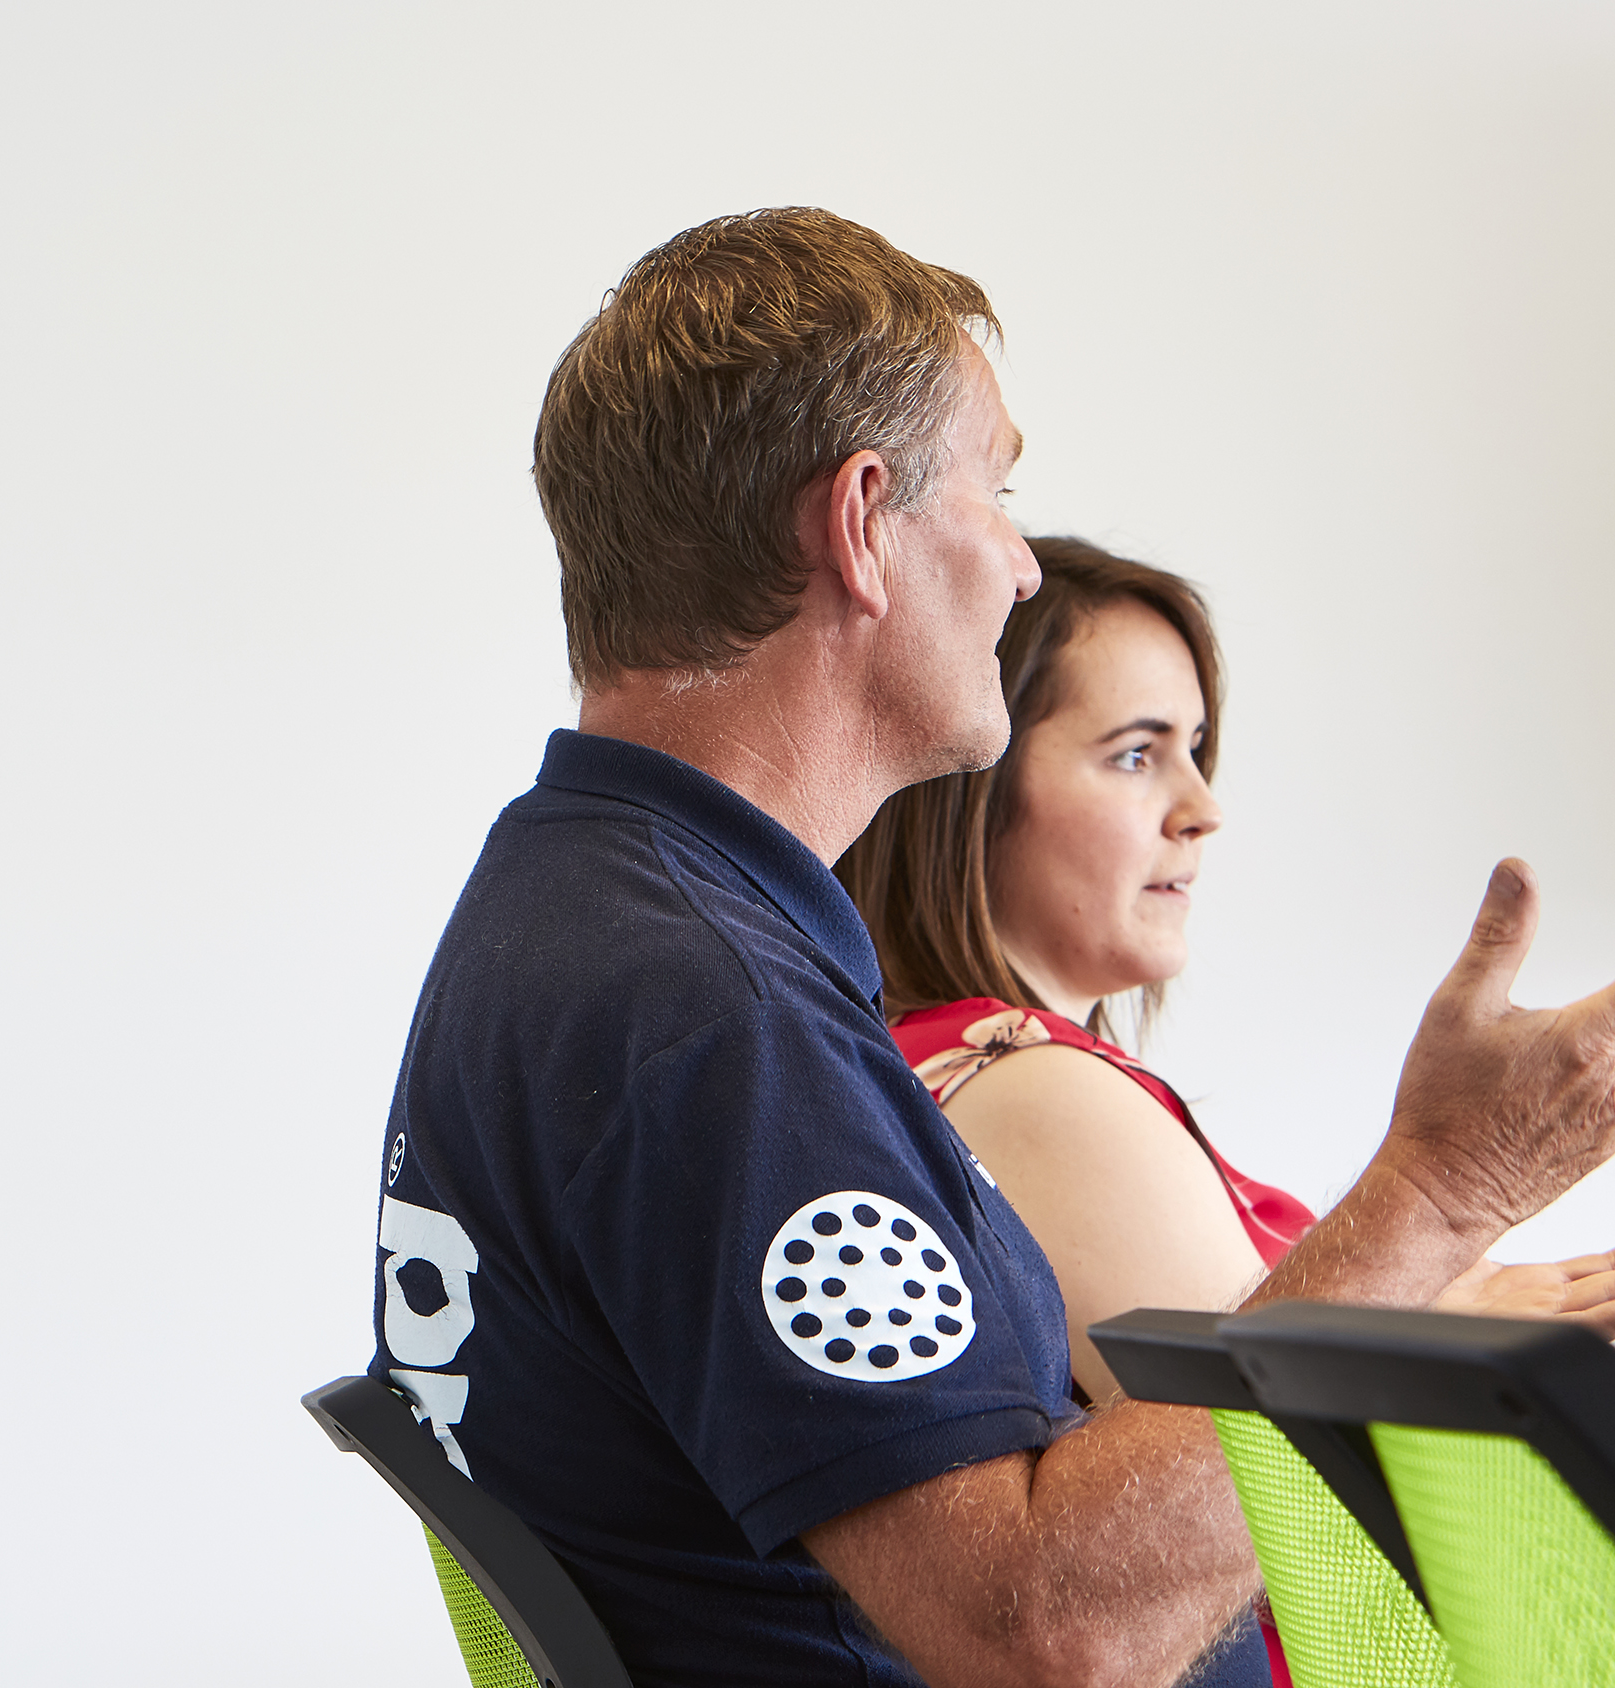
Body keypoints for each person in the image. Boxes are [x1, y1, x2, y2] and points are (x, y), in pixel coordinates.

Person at [365, 206, 1615, 1688]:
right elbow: (1049, 1636)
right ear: (863, 524)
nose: (1023, 567)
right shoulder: (710, 1010)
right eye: (998, 490)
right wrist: (1442, 1187)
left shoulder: (574, 903)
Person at [833, 536, 1615, 1685]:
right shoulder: (1032, 1089)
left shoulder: (959, 1071)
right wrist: (1462, 1284)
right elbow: (1278, 1474)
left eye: (1195, 750)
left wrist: (1458, 1295)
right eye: (1136, 753)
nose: (1201, 808)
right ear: (972, 790)